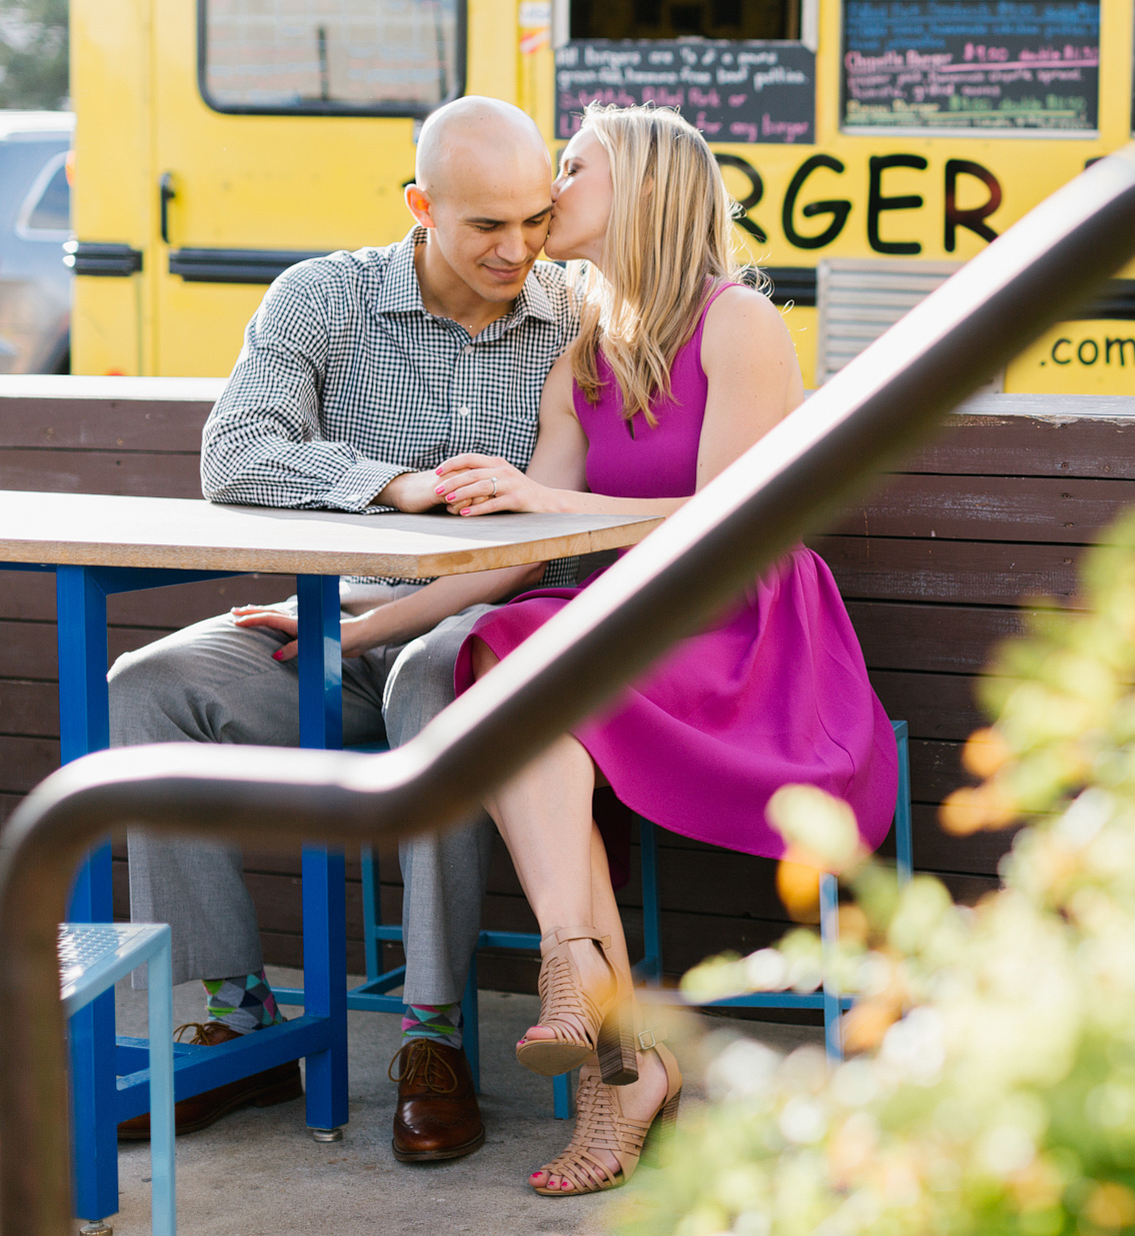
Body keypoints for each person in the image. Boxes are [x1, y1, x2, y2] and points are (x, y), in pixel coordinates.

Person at [438, 102, 897, 1196]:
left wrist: (544, 496)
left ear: (640, 186)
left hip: (746, 642)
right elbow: (512, 550)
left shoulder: (738, 323)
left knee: (528, 657)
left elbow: (720, 526)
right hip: (624, 641)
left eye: (573, 168)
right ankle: (602, 1023)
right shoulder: (582, 357)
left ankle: (603, 1028)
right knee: (506, 641)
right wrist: (353, 624)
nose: (551, 189)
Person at [110, 96, 574, 1163]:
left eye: (535, 219)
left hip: (483, 638)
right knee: (145, 683)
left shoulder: (578, 316)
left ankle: (431, 1034)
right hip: (332, 620)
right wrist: (393, 486)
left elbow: (569, 524)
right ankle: (238, 1016)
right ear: (420, 206)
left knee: (431, 681)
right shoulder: (324, 297)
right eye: (485, 226)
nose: (518, 250)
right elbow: (233, 453)